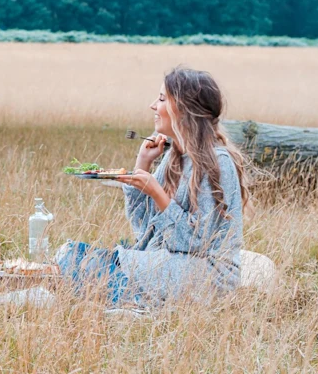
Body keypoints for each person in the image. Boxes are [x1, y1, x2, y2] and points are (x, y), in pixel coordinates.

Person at [56, 66, 250, 306]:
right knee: (70, 253)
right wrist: (143, 163)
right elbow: (142, 227)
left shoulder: (218, 163)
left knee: (89, 265)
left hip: (207, 274)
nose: (152, 106)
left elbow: (197, 243)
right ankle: (128, 300)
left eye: (161, 99)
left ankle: (133, 305)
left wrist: (158, 194)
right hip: (171, 263)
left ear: (182, 109)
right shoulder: (174, 157)